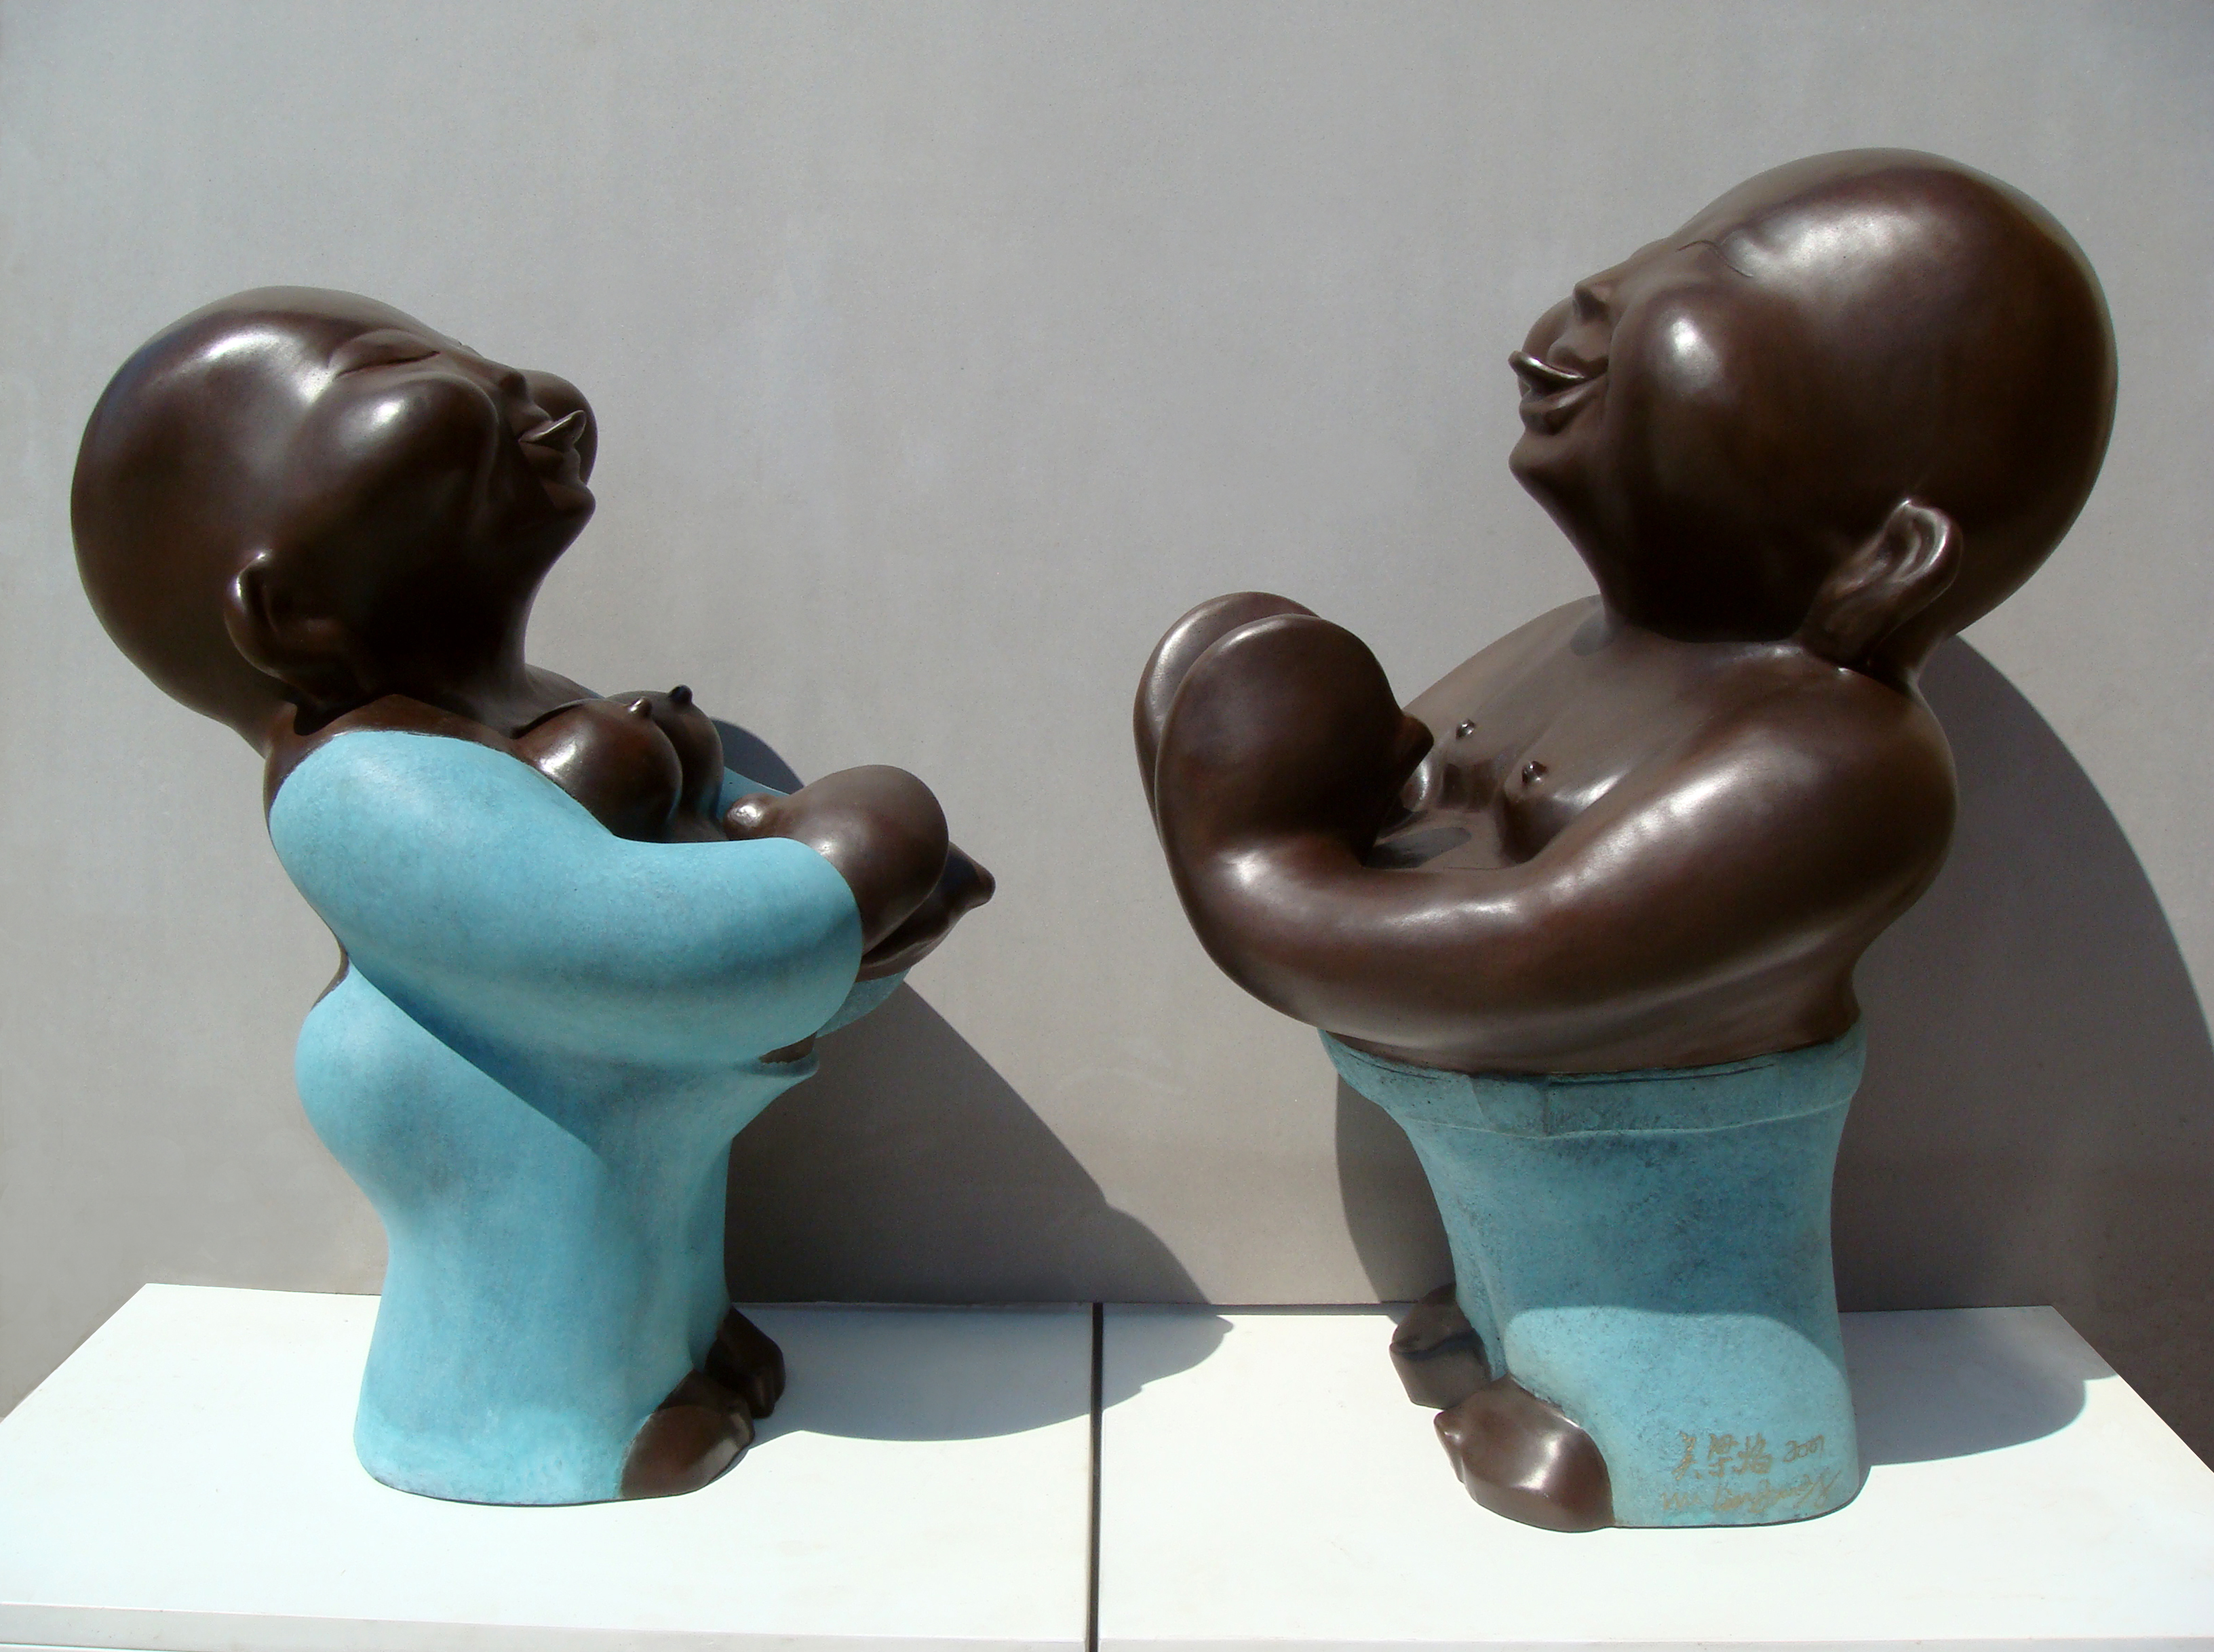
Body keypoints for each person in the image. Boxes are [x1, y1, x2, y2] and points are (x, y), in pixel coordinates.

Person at [1137, 151, 2114, 1529]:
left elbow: (1522, 956)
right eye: (1661, 246)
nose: (1600, 291)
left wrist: (1253, 868)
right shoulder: (1576, 644)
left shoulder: (1832, 763)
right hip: (1527, 1150)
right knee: (1533, 1241)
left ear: (1890, 554)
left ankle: (1666, 1440)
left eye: (1717, 290)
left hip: (1670, 1226)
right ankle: (1514, 1333)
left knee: (1649, 1303)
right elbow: (1397, 800)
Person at [73, 288, 990, 1502]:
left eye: (462, 346)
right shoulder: (366, 788)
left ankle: (674, 1350)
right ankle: (541, 1420)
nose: (532, 390)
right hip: (506, 1120)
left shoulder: (518, 707)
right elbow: (628, 945)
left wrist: (829, 898)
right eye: (399, 369)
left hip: (617, 1095)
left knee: (639, 1218)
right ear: (291, 614)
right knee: (555, 1226)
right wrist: (853, 868)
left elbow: (703, 874)